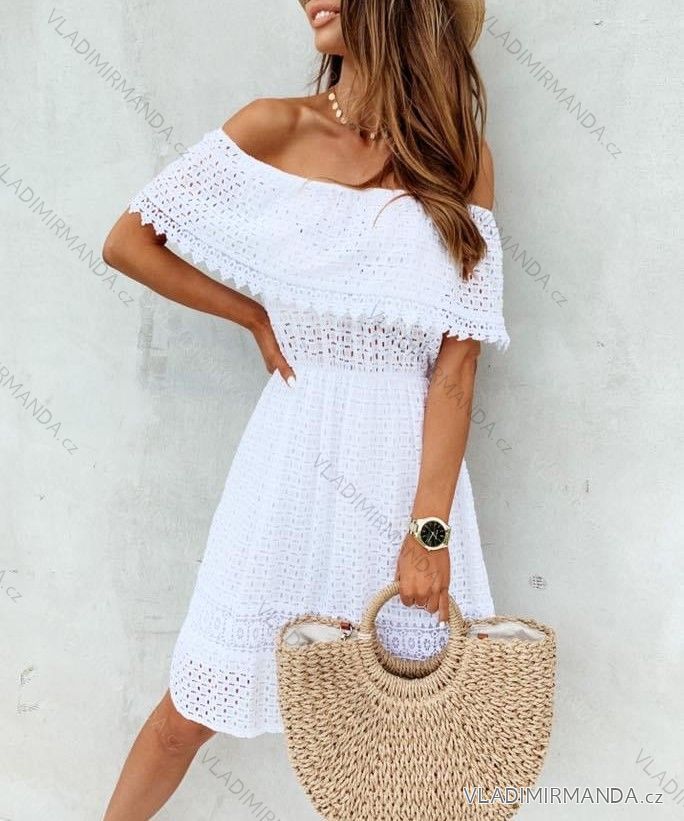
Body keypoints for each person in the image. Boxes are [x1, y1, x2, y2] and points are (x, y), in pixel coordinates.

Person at [101, 0, 510, 816]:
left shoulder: (458, 155)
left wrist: (428, 531)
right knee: (192, 707)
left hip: (405, 476)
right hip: (290, 462)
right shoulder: (272, 126)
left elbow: (457, 364)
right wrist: (252, 315)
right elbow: (129, 242)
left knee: (406, 727)